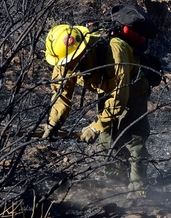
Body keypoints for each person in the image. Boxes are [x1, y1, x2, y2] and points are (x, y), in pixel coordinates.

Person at [41, 19, 152, 194]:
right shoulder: (64, 58)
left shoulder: (115, 50)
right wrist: (54, 122)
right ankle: (115, 179)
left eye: (69, 62)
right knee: (107, 137)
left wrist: (95, 126)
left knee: (133, 139)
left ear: (83, 51)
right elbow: (61, 92)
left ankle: (138, 187)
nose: (66, 66)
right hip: (106, 87)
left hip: (133, 88)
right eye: (63, 63)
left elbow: (119, 95)